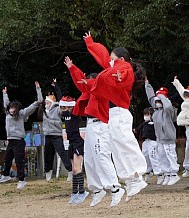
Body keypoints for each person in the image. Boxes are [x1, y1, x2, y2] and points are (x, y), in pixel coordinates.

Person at [84, 32, 148, 201]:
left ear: (121, 58)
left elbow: (124, 74)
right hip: (114, 115)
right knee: (117, 148)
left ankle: (138, 175)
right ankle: (130, 179)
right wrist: (90, 43)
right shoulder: (113, 67)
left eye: (113, 59)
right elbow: (103, 56)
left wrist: (119, 78)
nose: (110, 61)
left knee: (125, 143)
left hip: (119, 113)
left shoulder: (124, 67)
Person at [65, 56, 124, 207]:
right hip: (91, 125)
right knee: (90, 159)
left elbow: (97, 82)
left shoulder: (102, 90)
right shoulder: (90, 92)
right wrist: (72, 68)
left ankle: (115, 188)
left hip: (100, 126)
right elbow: (82, 83)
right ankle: (97, 190)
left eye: (88, 81)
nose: (85, 83)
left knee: (102, 156)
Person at [0, 83, 43, 190]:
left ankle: (22, 180)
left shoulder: (22, 114)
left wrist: (38, 89)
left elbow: (38, 102)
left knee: (19, 161)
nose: (12, 110)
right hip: (10, 140)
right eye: (11, 108)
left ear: (17, 109)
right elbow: (6, 103)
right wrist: (4, 94)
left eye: (14, 108)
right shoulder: (8, 114)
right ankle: (5, 175)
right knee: (7, 159)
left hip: (19, 141)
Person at [145, 80, 180, 185]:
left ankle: (174, 174)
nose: (157, 102)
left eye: (159, 101)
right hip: (159, 138)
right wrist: (147, 84)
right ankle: (167, 174)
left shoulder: (168, 110)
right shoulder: (156, 111)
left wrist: (162, 96)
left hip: (168, 137)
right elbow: (150, 97)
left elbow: (168, 106)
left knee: (170, 155)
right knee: (162, 156)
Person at [38, 80, 73, 182]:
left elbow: (61, 100)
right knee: (48, 154)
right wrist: (38, 89)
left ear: (52, 103)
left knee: (62, 153)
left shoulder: (57, 109)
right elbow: (40, 101)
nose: (46, 104)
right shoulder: (44, 111)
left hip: (56, 135)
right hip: (48, 135)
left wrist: (56, 87)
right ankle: (48, 172)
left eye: (48, 102)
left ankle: (70, 171)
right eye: (46, 102)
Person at [59, 95, 89, 205]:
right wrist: (56, 87)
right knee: (73, 170)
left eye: (65, 108)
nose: (63, 110)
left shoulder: (75, 113)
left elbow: (79, 102)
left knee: (77, 169)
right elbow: (60, 100)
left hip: (78, 143)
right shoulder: (65, 116)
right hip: (71, 143)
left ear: (70, 107)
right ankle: (74, 193)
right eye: (62, 108)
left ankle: (82, 192)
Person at [134, 107, 163, 184]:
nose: (146, 116)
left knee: (153, 157)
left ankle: (159, 174)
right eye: (145, 114)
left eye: (147, 114)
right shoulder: (144, 123)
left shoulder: (155, 122)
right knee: (145, 157)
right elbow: (138, 128)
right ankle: (148, 172)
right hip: (146, 142)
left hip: (153, 142)